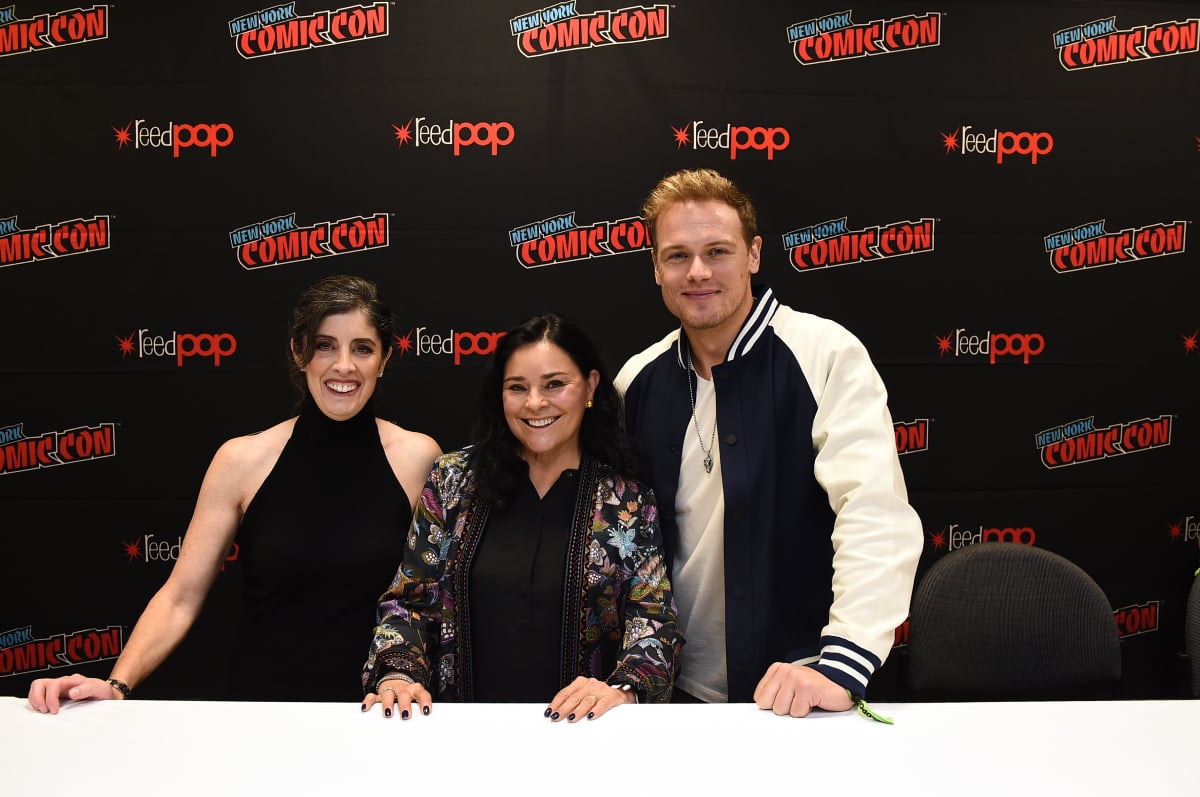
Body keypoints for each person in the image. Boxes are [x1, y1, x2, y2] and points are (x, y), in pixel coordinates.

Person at [28, 275, 441, 712]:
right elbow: (180, 596)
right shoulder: (241, 460)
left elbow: (434, 601)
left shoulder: (418, 457)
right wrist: (117, 684)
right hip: (259, 716)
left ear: (383, 360)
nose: (344, 365)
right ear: (299, 353)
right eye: (324, 345)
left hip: (377, 714)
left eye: (362, 348)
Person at [614, 168, 923, 717]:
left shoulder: (825, 354)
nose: (699, 272)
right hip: (672, 699)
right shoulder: (635, 381)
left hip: (801, 692)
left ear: (754, 254)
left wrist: (842, 661)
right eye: (678, 255)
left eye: (718, 251)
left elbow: (873, 512)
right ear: (655, 267)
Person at [360, 313, 681, 722]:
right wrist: (398, 675)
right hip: (459, 742)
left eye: (554, 384)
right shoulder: (453, 481)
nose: (534, 403)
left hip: (584, 742)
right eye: (517, 388)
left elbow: (654, 619)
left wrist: (623, 689)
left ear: (590, 386)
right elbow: (408, 603)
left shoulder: (627, 498)